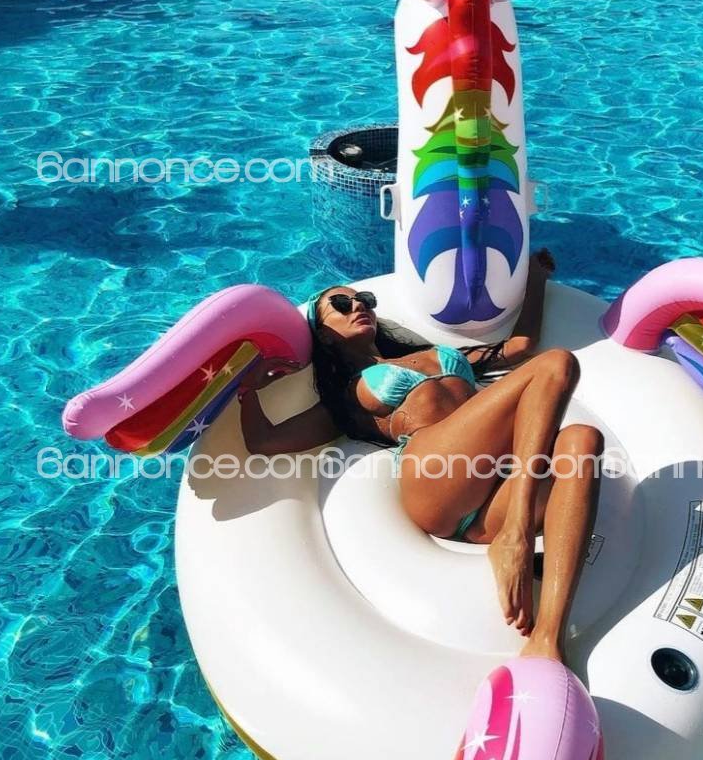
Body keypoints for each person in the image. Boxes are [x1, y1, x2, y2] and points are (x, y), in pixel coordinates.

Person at [239, 250, 603, 664]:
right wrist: (249, 387)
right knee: (557, 363)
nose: (357, 306)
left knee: (582, 439)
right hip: (436, 481)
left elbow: (520, 346)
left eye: (364, 300)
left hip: (491, 500)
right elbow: (263, 441)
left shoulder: (436, 353)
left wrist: (535, 278)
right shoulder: (345, 397)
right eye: (340, 304)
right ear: (324, 335)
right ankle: (516, 533)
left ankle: (549, 637)